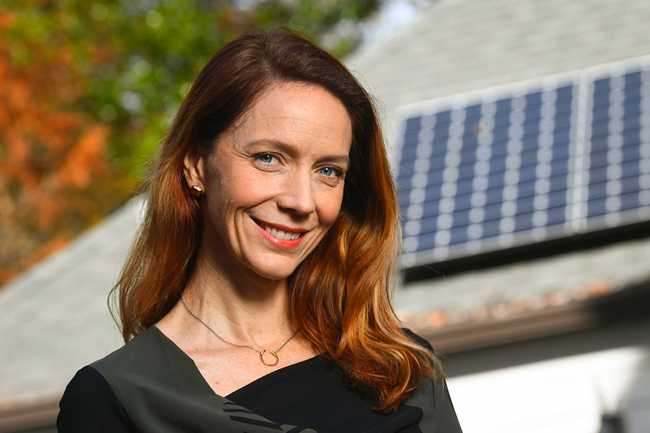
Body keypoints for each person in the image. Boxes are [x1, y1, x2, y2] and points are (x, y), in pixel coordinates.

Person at [56, 27, 463, 433]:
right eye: (269, 158)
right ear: (196, 165)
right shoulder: (116, 399)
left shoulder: (400, 368)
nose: (302, 202)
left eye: (328, 171)